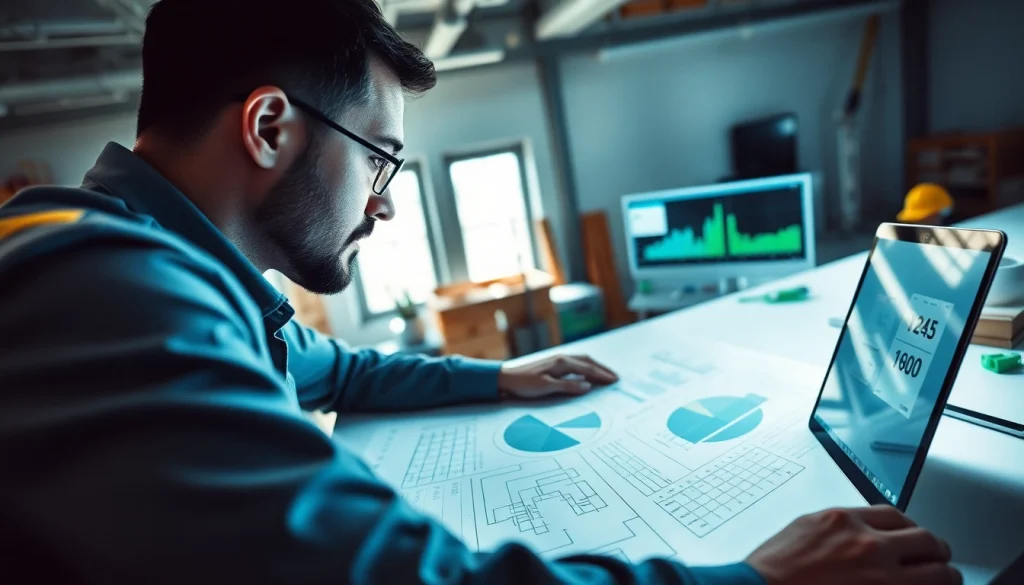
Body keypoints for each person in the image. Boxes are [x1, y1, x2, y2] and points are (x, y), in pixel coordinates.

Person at [0, 1, 960, 584]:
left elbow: (337, 368)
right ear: (267, 127)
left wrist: (499, 378)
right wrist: (757, 581)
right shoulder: (104, 290)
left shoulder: (150, 266)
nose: (381, 207)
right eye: (380, 159)